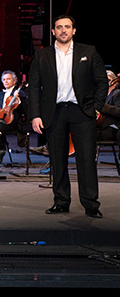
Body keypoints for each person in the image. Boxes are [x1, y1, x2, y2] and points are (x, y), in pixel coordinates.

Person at [29, 15, 107, 218]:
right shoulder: (42, 55)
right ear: (53, 32)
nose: (63, 30)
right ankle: (61, 201)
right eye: (59, 27)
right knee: (57, 159)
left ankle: (91, 204)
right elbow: (34, 88)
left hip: (82, 112)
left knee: (86, 159)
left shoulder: (88, 51)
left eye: (67, 27)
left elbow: (102, 82)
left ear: (74, 30)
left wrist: (96, 108)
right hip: (54, 113)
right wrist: (35, 115)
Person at [97, 71, 120, 144]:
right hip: (102, 127)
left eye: (108, 80)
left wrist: (103, 106)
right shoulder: (103, 95)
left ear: (115, 82)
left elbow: (118, 111)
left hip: (112, 128)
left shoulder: (117, 93)